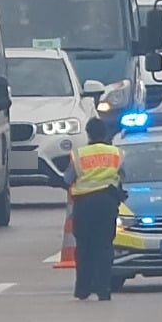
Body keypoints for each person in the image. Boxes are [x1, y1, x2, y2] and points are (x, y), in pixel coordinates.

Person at [53, 118, 127, 301]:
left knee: (84, 247)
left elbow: (68, 179)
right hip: (107, 203)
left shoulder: (79, 155)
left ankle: (83, 290)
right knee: (104, 247)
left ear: (88, 133)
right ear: (105, 133)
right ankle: (104, 289)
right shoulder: (116, 153)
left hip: (84, 204)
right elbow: (122, 176)